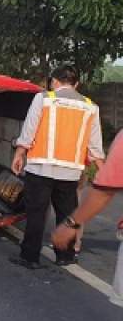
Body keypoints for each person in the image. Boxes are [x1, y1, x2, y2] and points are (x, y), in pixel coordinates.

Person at [10, 64, 105, 269]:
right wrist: (102, 170)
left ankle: (30, 257)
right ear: (76, 84)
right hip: (70, 172)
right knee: (67, 215)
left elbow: (29, 129)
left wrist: (19, 153)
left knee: (36, 214)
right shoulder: (91, 107)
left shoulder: (43, 99)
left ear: (54, 81)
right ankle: (65, 255)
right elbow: (95, 144)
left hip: (40, 168)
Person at [53, 129, 122, 305]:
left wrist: (71, 224)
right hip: (74, 167)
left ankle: (72, 248)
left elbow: (104, 192)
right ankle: (73, 249)